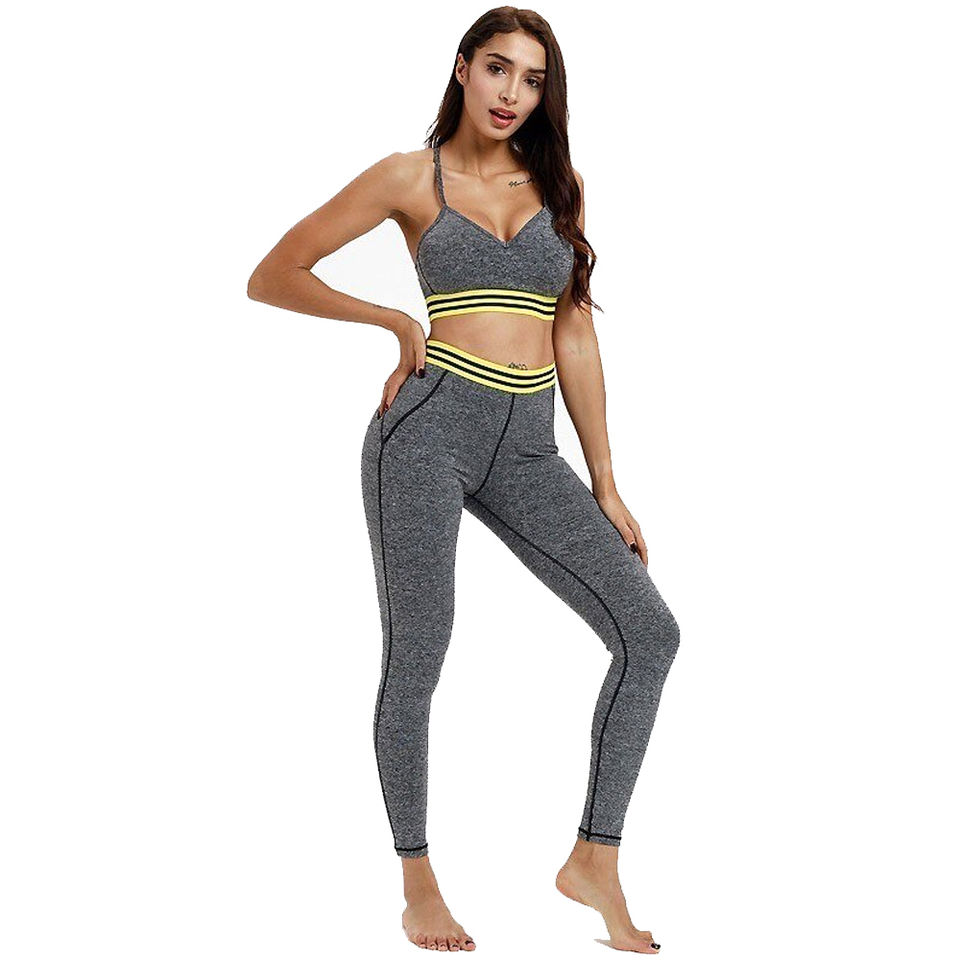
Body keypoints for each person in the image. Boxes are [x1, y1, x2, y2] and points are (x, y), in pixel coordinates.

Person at [247, 8, 680, 954]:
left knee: (650, 633)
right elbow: (273, 274)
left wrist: (606, 482)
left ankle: (595, 858)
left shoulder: (558, 184)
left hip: (529, 445)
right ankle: (418, 883)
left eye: (532, 79)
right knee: (420, 653)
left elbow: (574, 332)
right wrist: (395, 322)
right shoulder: (410, 177)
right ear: (461, 68)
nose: (511, 93)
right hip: (428, 430)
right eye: (497, 69)